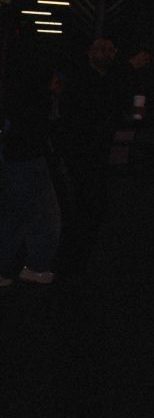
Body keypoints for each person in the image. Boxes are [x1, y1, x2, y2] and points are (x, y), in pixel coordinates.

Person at [54, 37, 149, 275]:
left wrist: (130, 115)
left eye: (109, 49)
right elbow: (94, 101)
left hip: (97, 151)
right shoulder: (82, 78)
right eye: (100, 49)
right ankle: (71, 258)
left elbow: (112, 105)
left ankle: (77, 257)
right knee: (86, 203)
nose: (105, 53)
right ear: (89, 53)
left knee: (92, 205)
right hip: (79, 151)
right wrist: (129, 68)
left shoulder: (109, 80)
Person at [0, 43, 64, 286]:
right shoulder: (40, 100)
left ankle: (6, 269)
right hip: (30, 158)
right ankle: (36, 265)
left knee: (14, 214)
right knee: (46, 218)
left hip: (17, 156)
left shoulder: (18, 91)